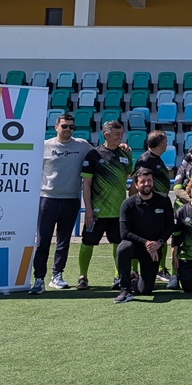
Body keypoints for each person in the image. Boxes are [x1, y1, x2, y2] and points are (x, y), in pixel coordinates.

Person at [30, 113, 92, 294]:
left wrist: (121, 146)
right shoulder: (44, 146)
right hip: (47, 200)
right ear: (56, 127)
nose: (68, 130)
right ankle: (39, 279)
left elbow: (102, 152)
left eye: (72, 127)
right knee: (43, 241)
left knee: (64, 242)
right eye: (64, 126)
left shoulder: (82, 145)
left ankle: (57, 275)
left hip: (71, 200)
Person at [77, 119, 132, 290]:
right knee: (87, 242)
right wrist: (88, 210)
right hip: (97, 212)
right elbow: (86, 184)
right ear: (105, 134)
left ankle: (118, 276)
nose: (120, 137)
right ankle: (82, 276)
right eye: (116, 134)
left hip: (118, 212)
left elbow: (127, 178)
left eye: (121, 134)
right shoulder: (94, 155)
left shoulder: (125, 155)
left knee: (118, 244)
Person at [113, 168, 175, 303]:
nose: (147, 184)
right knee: (122, 248)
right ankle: (125, 289)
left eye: (149, 181)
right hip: (135, 245)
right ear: (136, 184)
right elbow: (124, 233)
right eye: (142, 181)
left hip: (154, 249)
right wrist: (146, 243)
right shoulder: (128, 204)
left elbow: (170, 226)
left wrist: (158, 243)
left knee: (145, 290)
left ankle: (134, 279)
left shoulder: (163, 200)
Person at [135, 130, 174, 201]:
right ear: (161, 145)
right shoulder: (146, 160)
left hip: (159, 201)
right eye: (166, 142)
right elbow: (136, 183)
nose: (167, 144)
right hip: (149, 203)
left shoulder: (156, 157)